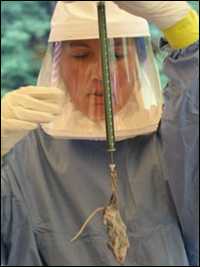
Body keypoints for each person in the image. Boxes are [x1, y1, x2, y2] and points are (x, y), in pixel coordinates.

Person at [1, 1, 199, 266]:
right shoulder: (22, 156)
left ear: (140, 59)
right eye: (81, 56)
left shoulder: (174, 136)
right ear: (58, 64)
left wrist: (185, 30)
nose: (101, 74)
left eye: (117, 55)